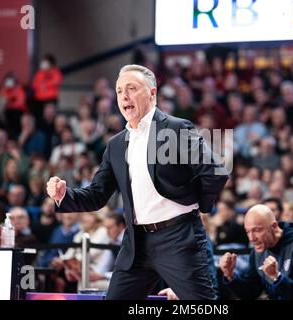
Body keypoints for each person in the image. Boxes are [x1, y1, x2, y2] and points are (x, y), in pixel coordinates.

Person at [46, 64, 228, 300]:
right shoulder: (116, 144)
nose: (124, 96)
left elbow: (214, 171)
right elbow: (98, 194)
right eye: (120, 90)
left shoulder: (174, 128)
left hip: (178, 238)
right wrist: (64, 196)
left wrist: (198, 205)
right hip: (135, 242)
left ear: (152, 93)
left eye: (132, 88)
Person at [219, 204, 293, 300]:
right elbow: (250, 293)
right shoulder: (257, 251)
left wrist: (277, 277)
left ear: (274, 226)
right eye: (248, 231)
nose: (251, 238)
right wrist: (230, 275)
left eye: (257, 230)